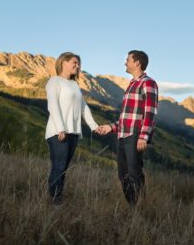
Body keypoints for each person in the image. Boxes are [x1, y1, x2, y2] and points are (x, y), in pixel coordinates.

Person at [95, 50, 158, 205]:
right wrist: (111, 127)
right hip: (123, 135)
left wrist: (143, 136)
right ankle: (132, 206)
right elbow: (127, 117)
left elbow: (150, 112)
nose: (125, 62)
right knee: (122, 174)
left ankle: (141, 208)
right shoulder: (132, 84)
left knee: (134, 173)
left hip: (135, 135)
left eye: (128, 59)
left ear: (137, 63)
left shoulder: (148, 83)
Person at [45, 52, 101, 205]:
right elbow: (53, 105)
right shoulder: (54, 81)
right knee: (59, 165)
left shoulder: (74, 85)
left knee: (63, 168)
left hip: (73, 132)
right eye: (74, 63)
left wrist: (94, 126)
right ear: (63, 62)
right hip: (58, 132)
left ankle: (57, 198)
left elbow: (84, 108)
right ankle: (55, 201)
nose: (77, 66)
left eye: (78, 64)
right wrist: (61, 129)